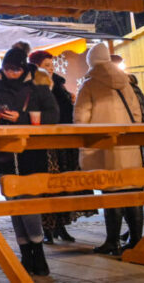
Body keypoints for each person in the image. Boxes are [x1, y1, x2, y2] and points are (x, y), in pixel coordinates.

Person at [0, 48, 59, 276]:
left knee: (29, 204)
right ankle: (26, 254)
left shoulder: (37, 85)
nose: (10, 74)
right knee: (14, 205)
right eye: (7, 69)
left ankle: (39, 252)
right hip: (3, 155)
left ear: (22, 68)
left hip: (30, 154)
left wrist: (22, 118)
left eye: (15, 69)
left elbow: (53, 115)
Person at [74, 43, 142, 255]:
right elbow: (137, 115)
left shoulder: (90, 85)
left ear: (91, 61)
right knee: (132, 192)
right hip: (129, 145)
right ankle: (136, 241)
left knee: (110, 191)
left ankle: (112, 241)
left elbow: (81, 118)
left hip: (103, 147)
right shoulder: (126, 83)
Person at [29, 50, 92, 243]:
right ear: (36, 66)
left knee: (64, 185)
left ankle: (60, 226)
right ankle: (47, 228)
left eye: (52, 65)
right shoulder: (32, 86)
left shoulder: (59, 83)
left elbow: (66, 109)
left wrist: (70, 101)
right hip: (44, 144)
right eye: (46, 66)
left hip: (64, 141)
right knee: (49, 186)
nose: (50, 69)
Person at [111, 53, 144, 248]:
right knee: (131, 189)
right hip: (139, 143)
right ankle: (134, 237)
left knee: (122, 190)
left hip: (123, 144)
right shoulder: (133, 85)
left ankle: (131, 239)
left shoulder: (118, 87)